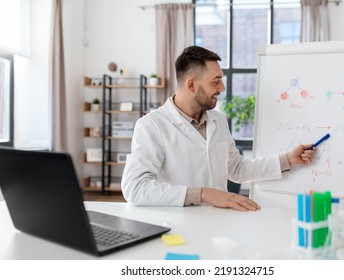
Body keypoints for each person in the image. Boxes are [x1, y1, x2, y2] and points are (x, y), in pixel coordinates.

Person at [121, 46, 316, 211]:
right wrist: (204, 194)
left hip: (219, 222)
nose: (222, 88)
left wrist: (288, 160)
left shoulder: (218, 121)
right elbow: (135, 188)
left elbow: (237, 169)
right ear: (191, 84)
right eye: (215, 81)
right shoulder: (152, 126)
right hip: (177, 226)